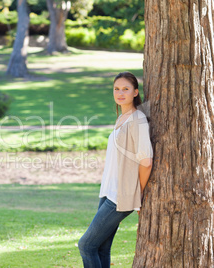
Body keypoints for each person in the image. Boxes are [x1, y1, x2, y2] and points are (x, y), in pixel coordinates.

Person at [77, 71, 153, 268]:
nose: (120, 93)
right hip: (107, 192)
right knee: (100, 247)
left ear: (135, 92)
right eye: (117, 89)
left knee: (86, 245)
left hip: (120, 196)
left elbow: (146, 162)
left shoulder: (138, 120)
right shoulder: (122, 118)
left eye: (125, 89)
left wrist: (138, 194)